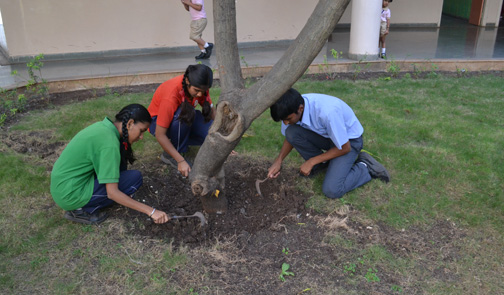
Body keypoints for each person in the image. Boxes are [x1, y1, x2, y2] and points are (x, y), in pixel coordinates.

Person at [50, 104, 170, 225]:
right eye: (141, 131)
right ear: (129, 124)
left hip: (65, 185)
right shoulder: (109, 143)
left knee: (129, 175)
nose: (141, 137)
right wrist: (152, 211)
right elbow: (112, 193)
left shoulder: (104, 127)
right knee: (134, 180)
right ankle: (80, 210)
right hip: (70, 194)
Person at [267, 88, 390, 199]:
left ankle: (365, 167)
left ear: (300, 108)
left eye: (288, 119)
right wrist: (279, 161)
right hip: (328, 137)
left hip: (349, 142)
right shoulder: (289, 107)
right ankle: (322, 166)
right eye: (283, 120)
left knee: (332, 190)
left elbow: (344, 148)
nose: (286, 123)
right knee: (292, 132)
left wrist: (311, 161)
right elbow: (290, 137)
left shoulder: (328, 112)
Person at [148, 64, 215, 177]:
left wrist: (220, 140)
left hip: (184, 116)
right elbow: (160, 135)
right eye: (197, 90)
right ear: (187, 81)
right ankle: (172, 154)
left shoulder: (200, 86)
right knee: (185, 114)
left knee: (209, 134)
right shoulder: (170, 96)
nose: (200, 94)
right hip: (158, 122)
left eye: (203, 91)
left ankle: (181, 137)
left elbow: (212, 110)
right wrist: (180, 161)